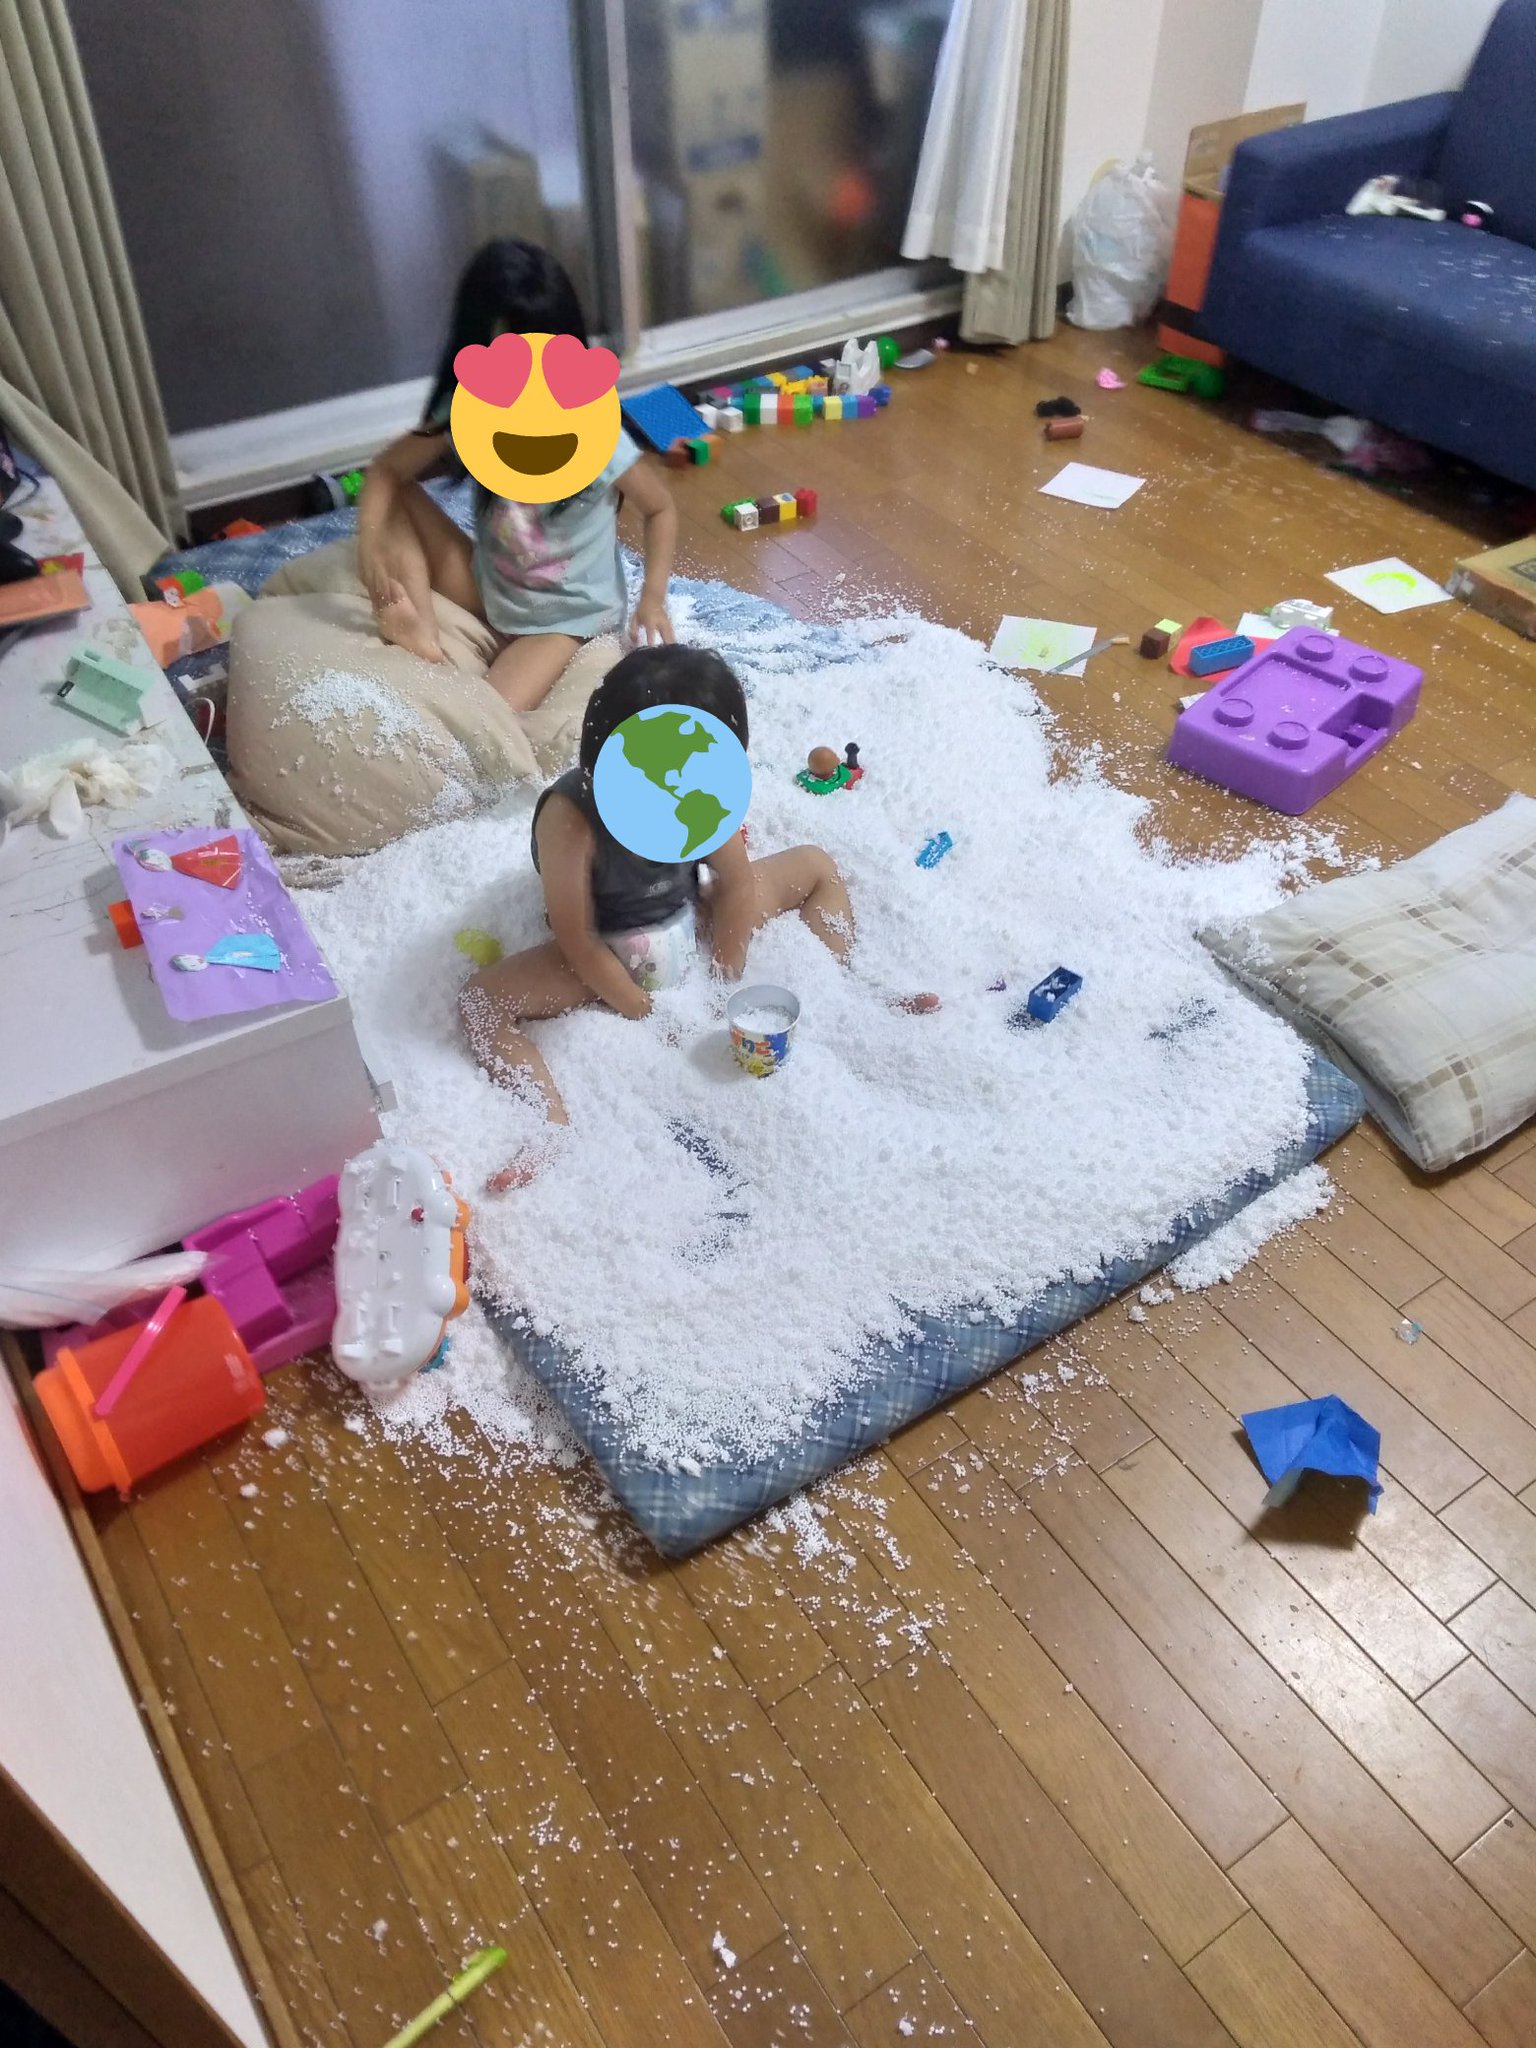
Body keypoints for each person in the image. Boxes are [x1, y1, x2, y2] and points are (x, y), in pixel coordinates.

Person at [459, 643, 861, 1191]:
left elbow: (736, 883)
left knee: (816, 865)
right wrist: (644, 1011)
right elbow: (577, 938)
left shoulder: (704, 786)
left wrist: (724, 975)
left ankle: (835, 996)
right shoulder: (570, 819)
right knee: (481, 1003)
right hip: (609, 942)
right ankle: (550, 1119)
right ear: (601, 769)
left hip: (688, 911)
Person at [356, 239, 676, 714]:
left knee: (486, 712)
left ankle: (436, 659)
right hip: (491, 588)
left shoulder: (591, 432)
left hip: (564, 621)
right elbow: (385, 470)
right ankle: (418, 629)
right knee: (398, 493)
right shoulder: (474, 407)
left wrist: (653, 598)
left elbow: (660, 507)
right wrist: (370, 549)